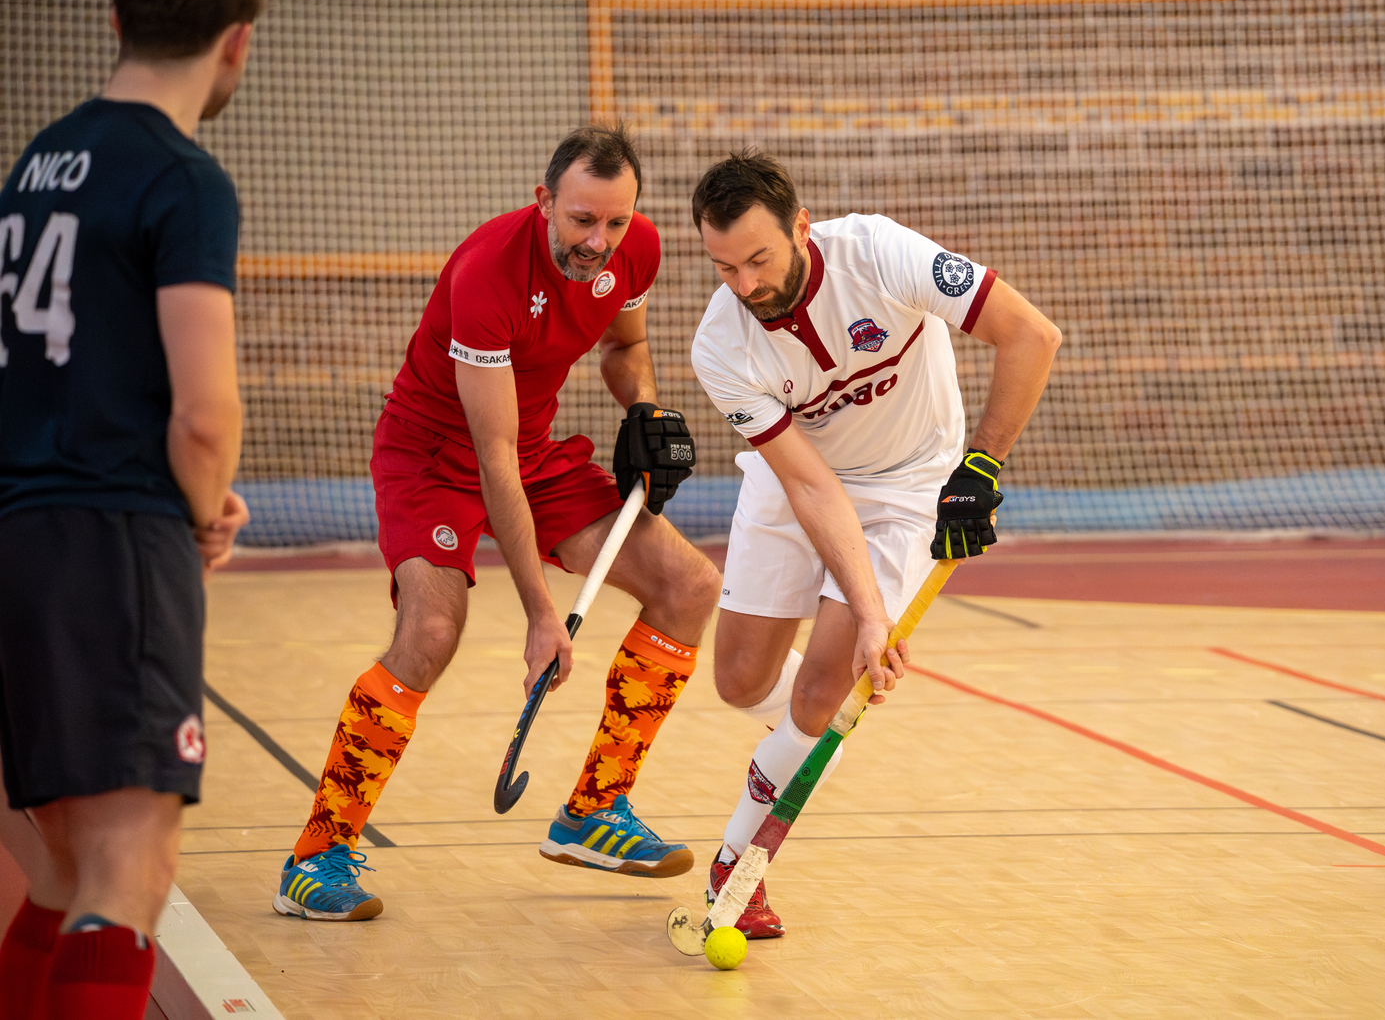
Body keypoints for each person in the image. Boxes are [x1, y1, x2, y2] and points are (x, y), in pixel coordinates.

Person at [274, 124, 723, 922]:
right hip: (434, 456)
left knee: (689, 584)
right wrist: (542, 615)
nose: (599, 241)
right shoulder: (487, 273)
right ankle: (317, 853)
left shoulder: (636, 251)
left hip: (534, 444)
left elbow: (627, 346)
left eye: (616, 222)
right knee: (432, 629)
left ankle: (593, 812)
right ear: (544, 199)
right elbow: (492, 460)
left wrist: (646, 407)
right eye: (583, 220)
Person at [688, 149, 1061, 937]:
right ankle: (808, 728)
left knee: (823, 683)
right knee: (738, 676)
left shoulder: (881, 252)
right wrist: (866, 612)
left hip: (907, 483)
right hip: (797, 476)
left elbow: (1031, 335)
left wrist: (981, 462)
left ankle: (736, 859)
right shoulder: (721, 346)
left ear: (801, 227)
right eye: (724, 267)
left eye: (758, 259)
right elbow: (812, 488)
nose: (744, 285)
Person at [0, 0, 259, 1015]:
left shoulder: (38, 158)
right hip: (112, 535)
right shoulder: (182, 176)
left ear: (114, 15)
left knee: (57, 870)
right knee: (125, 871)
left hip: (18, 525)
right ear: (239, 36)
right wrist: (203, 510)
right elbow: (204, 411)